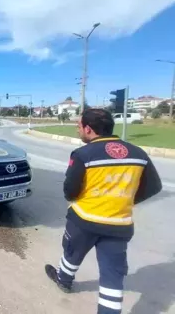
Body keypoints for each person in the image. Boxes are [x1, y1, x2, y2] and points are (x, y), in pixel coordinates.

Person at [45, 108, 162, 314]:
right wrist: (124, 200)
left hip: (84, 220)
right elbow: (153, 187)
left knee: (72, 251)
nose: (77, 129)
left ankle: (64, 280)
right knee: (112, 276)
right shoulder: (138, 153)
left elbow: (70, 191)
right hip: (119, 224)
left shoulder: (83, 154)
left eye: (79, 126)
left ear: (88, 129)